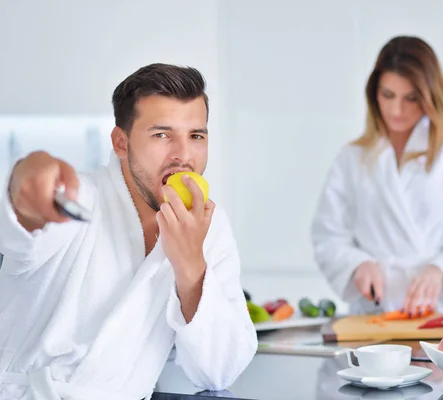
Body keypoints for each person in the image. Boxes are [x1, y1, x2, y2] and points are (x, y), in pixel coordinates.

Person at [0, 64, 257, 399]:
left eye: (196, 136)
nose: (183, 155)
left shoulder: (209, 225)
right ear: (121, 143)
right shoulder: (79, 200)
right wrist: (26, 176)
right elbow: (25, 218)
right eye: (162, 135)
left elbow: (219, 371)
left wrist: (191, 267)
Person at [311, 36, 443, 316]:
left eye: (410, 98)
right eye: (387, 95)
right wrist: (357, 264)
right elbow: (327, 233)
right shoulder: (352, 157)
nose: (396, 110)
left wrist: (441, 270)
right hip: (372, 316)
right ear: (373, 92)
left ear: (429, 96)